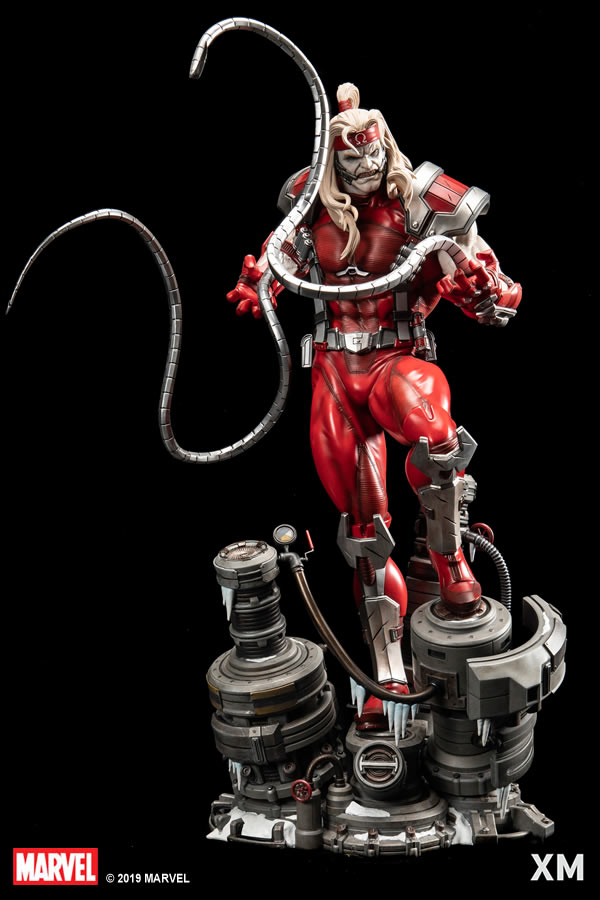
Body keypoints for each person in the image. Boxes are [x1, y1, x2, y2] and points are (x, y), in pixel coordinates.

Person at [226, 83, 521, 728]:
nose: (361, 163)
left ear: (385, 143)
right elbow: (273, 265)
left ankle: (450, 560)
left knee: (437, 441)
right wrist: (259, 288)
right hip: (335, 372)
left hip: (396, 360)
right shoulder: (307, 204)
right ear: (331, 156)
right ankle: (388, 677)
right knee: (363, 532)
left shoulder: (427, 204)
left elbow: (500, 294)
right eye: (347, 153)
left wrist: (480, 290)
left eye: (369, 149)